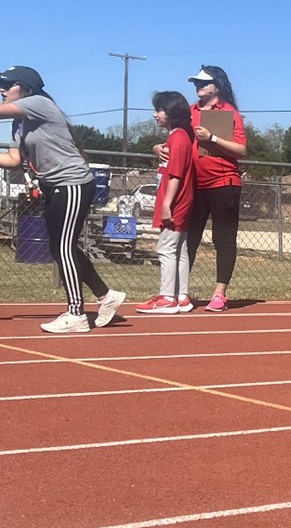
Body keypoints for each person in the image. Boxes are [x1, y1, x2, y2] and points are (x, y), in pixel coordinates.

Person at [0, 66, 126, 334]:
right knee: (61, 247)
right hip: (54, 187)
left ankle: (76, 314)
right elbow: (13, 160)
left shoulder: (38, 103)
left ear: (26, 88)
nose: (2, 89)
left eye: (8, 84)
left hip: (73, 184)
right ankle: (106, 296)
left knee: (63, 248)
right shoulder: (18, 123)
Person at [156, 66, 247, 311]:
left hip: (223, 183)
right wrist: (159, 147)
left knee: (223, 239)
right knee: (188, 239)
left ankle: (219, 293)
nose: (198, 86)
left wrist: (213, 138)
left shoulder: (229, 113)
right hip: (193, 185)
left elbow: (241, 149)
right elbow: (177, 139)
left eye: (203, 82)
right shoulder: (189, 112)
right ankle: (178, 293)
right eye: (196, 82)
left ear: (217, 85)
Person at [135, 92, 197, 314]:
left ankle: (167, 298)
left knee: (166, 248)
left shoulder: (179, 138)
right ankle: (181, 297)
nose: (155, 114)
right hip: (179, 200)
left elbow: (176, 175)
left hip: (177, 201)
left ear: (171, 113)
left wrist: (166, 204)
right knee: (179, 250)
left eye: (159, 110)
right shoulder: (175, 137)